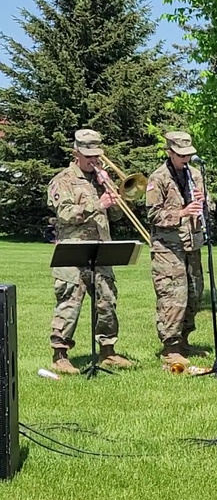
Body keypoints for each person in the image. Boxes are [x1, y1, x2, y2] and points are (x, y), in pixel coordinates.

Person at [47, 129, 133, 374]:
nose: (94, 160)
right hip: (72, 250)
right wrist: (98, 204)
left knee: (107, 300)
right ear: (76, 153)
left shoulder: (101, 179)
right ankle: (60, 355)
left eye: (97, 155)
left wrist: (113, 195)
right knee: (70, 301)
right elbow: (65, 213)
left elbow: (116, 214)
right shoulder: (62, 180)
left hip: (101, 248)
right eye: (88, 156)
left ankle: (108, 351)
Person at [146, 131, 206, 368]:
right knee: (173, 296)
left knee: (194, 292)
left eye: (188, 155)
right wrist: (181, 213)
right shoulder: (158, 178)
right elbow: (152, 214)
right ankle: (170, 347)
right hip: (168, 247)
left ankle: (184, 340)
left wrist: (203, 202)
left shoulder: (195, 174)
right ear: (169, 152)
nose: (186, 159)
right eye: (181, 155)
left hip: (192, 243)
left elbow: (204, 207)